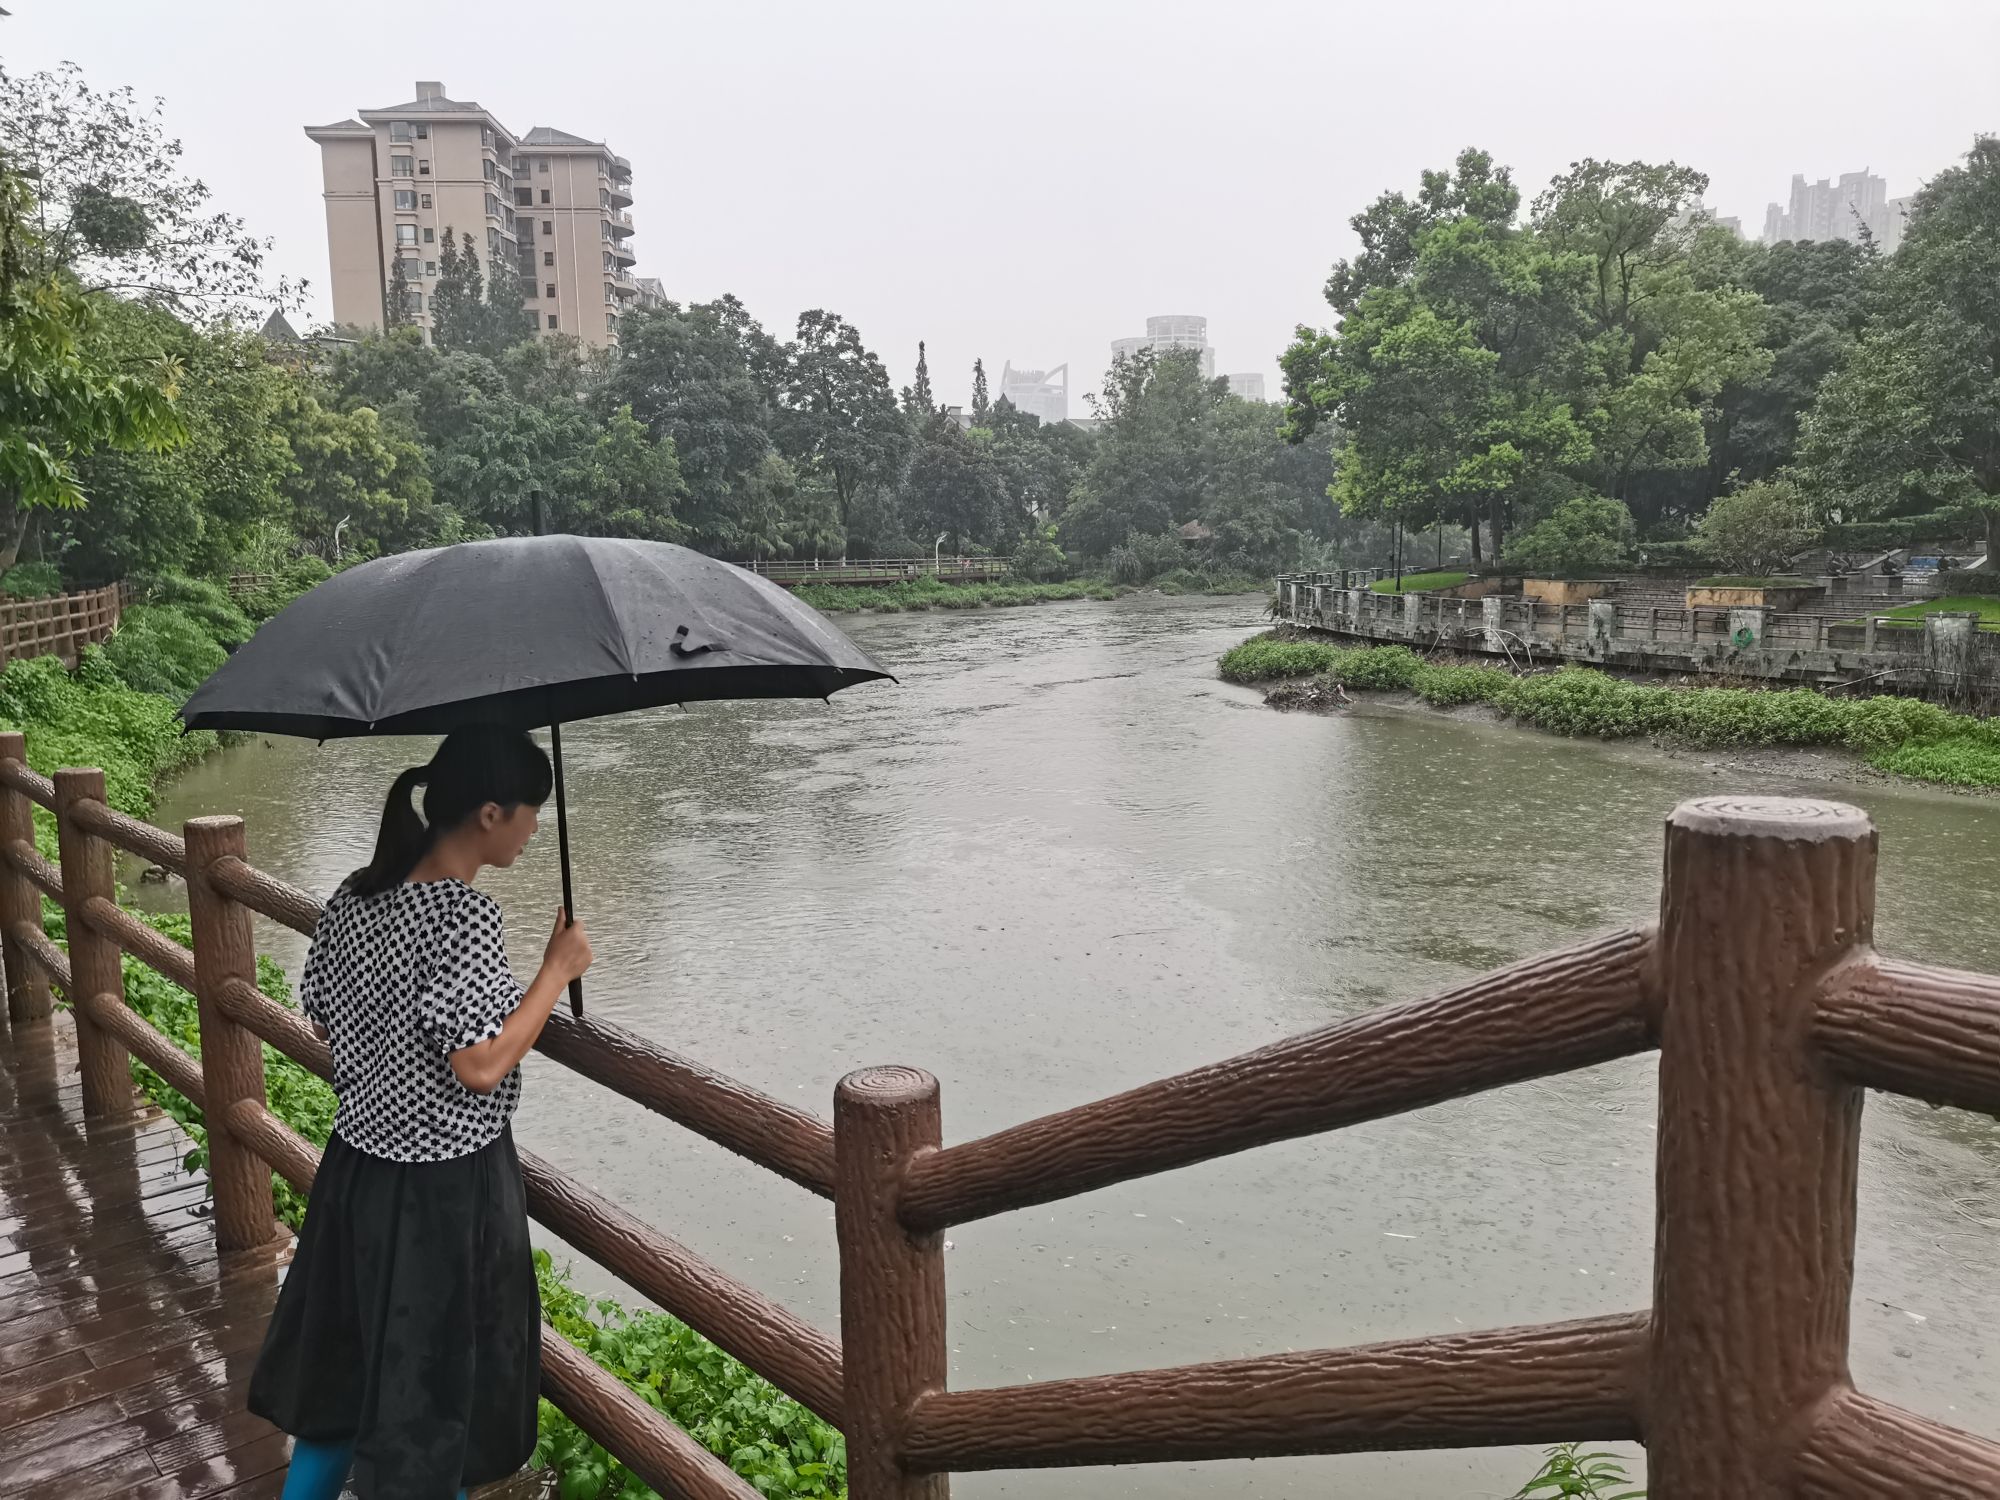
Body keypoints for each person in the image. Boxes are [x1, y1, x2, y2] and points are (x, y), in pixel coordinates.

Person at [249, 727, 594, 1500]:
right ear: (490, 813)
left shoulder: (354, 895)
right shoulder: (462, 916)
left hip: (357, 1170)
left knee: (346, 1375)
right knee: (437, 1398)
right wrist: (556, 970)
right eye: (531, 812)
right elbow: (480, 1064)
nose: (537, 828)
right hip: (445, 1188)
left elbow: (324, 1019)